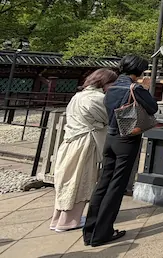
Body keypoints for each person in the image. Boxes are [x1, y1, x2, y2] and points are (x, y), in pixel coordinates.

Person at [83, 55, 158, 247]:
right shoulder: (135, 88)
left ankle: (90, 231)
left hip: (110, 137)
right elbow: (152, 107)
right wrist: (145, 89)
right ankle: (103, 232)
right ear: (139, 70)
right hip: (127, 138)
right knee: (117, 186)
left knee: (103, 183)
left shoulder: (111, 88)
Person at [50, 68, 119, 232]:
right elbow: (110, 118)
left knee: (66, 180)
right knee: (80, 180)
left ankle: (58, 219)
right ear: (105, 83)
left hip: (70, 141)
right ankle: (69, 221)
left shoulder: (78, 96)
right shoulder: (97, 99)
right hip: (85, 143)